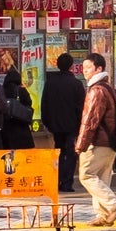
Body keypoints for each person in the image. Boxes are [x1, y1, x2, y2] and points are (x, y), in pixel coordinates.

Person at [73, 51, 116, 227]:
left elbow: (90, 121)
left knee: (86, 175)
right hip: (111, 142)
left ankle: (114, 204)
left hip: (98, 142)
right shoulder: (109, 88)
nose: (84, 71)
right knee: (102, 179)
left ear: (99, 68)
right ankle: (103, 216)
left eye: (88, 68)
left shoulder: (96, 91)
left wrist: (80, 144)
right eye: (84, 68)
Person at [41, 52, 86, 193]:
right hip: (72, 126)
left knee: (58, 152)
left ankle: (56, 180)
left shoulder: (50, 83)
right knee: (70, 154)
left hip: (55, 125)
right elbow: (81, 107)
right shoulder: (76, 84)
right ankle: (67, 183)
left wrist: (47, 122)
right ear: (71, 66)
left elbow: (45, 104)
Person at [0, 67, 36, 150]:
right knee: (22, 153)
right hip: (20, 125)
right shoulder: (21, 90)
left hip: (6, 126)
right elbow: (29, 102)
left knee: (6, 154)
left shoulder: (1, 90)